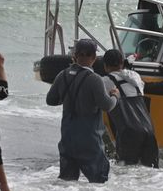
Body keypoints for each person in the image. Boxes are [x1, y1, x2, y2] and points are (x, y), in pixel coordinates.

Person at [46, 39, 120, 183]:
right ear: (94, 58)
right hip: (89, 142)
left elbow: (51, 100)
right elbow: (107, 106)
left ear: (74, 55)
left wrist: (68, 97)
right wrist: (115, 96)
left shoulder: (63, 75)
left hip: (67, 140)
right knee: (99, 183)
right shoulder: (94, 79)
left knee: (67, 182)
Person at [102, 49, 159, 168]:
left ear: (105, 66)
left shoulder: (105, 81)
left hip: (128, 133)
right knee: (151, 174)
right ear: (121, 63)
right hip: (149, 131)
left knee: (126, 175)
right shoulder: (136, 77)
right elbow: (125, 75)